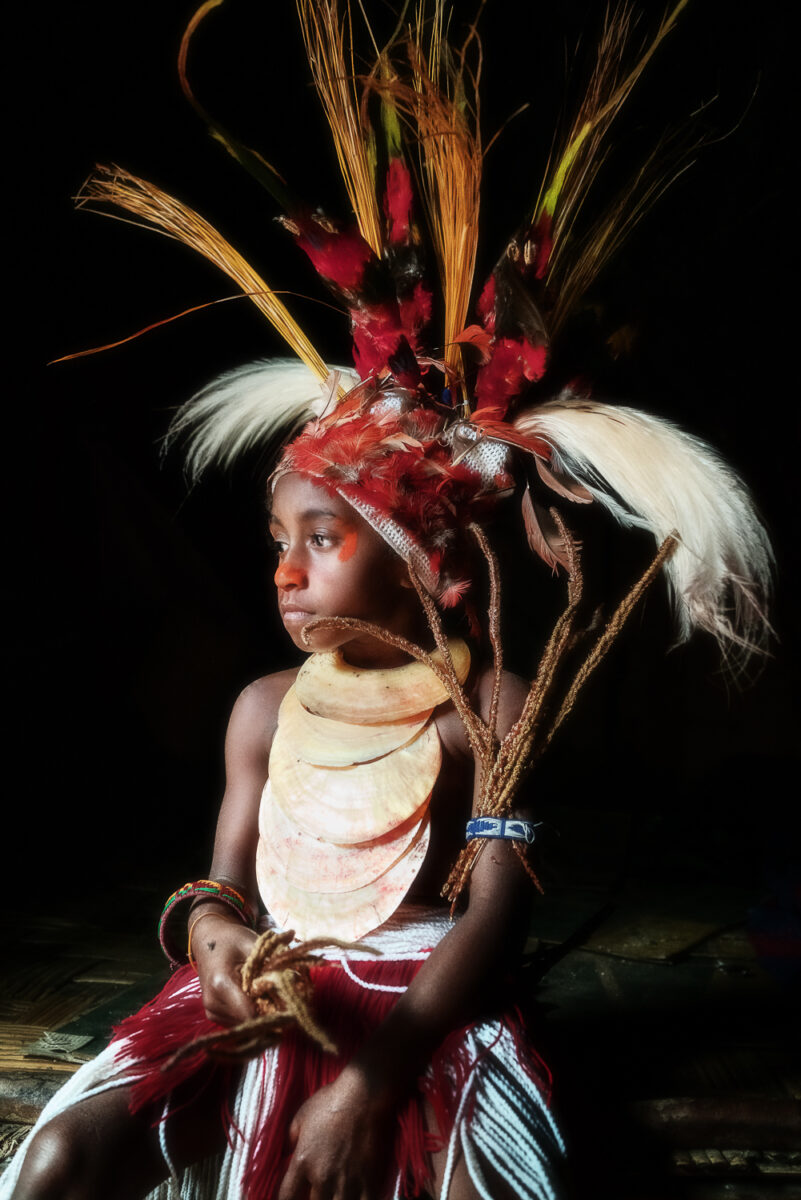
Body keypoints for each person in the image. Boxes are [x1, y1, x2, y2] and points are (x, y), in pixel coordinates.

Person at [2, 2, 772, 1197]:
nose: (285, 571)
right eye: (276, 540)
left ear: (432, 568)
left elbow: (497, 924)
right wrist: (212, 937)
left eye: (323, 539)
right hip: (274, 994)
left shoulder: (494, 709)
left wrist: (374, 1078)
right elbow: (222, 882)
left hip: (424, 1012)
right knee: (54, 1162)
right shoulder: (262, 707)